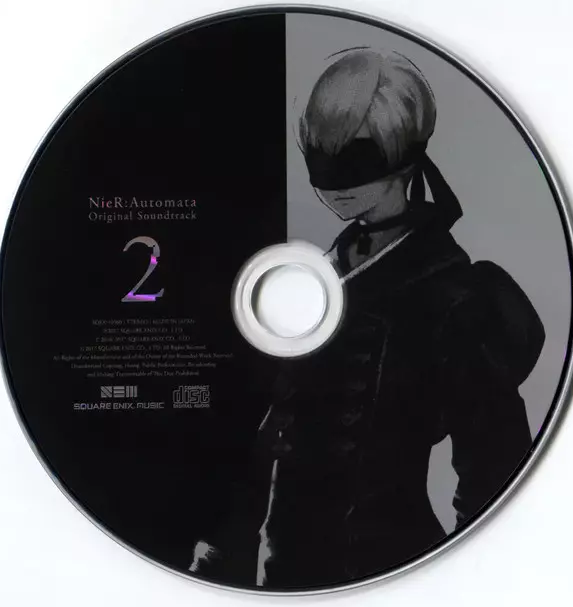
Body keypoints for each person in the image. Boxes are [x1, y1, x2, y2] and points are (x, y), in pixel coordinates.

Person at [189, 48, 545, 590]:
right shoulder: (316, 281)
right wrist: (219, 549)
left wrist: (461, 580)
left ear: (405, 155)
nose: (333, 184)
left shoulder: (456, 296)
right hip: (278, 576)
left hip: (390, 571)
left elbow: (495, 473)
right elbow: (275, 441)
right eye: (319, 156)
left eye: (357, 157)